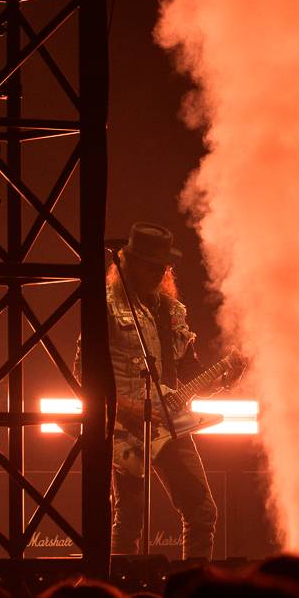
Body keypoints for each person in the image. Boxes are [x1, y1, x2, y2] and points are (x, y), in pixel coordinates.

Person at [99, 223, 217, 559]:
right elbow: (86, 376)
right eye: (150, 264)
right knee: (129, 521)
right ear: (128, 263)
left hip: (170, 422)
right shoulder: (106, 309)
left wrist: (227, 375)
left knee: (203, 512)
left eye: (162, 266)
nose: (158, 271)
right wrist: (129, 410)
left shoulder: (171, 311)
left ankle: (192, 594)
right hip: (125, 429)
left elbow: (189, 372)